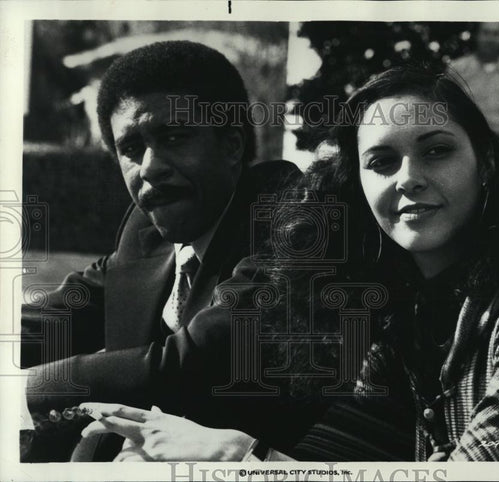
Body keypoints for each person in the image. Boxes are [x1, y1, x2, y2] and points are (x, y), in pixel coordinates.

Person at [78, 64, 499, 462]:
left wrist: (236, 454)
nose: (408, 179)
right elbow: (332, 457)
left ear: (485, 163)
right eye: (381, 162)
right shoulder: (406, 321)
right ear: (357, 185)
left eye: (437, 151)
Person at [20, 40, 303, 461]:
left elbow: (194, 360)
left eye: (174, 137)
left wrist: (25, 389)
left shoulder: (291, 219)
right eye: (130, 149)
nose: (149, 167)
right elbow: (61, 316)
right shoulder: (146, 231)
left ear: (232, 146)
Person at [451, 22, 499, 142]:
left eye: (496, 34)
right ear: (477, 36)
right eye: (486, 33)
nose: (491, 39)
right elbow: (447, 112)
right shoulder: (457, 69)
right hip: (468, 143)